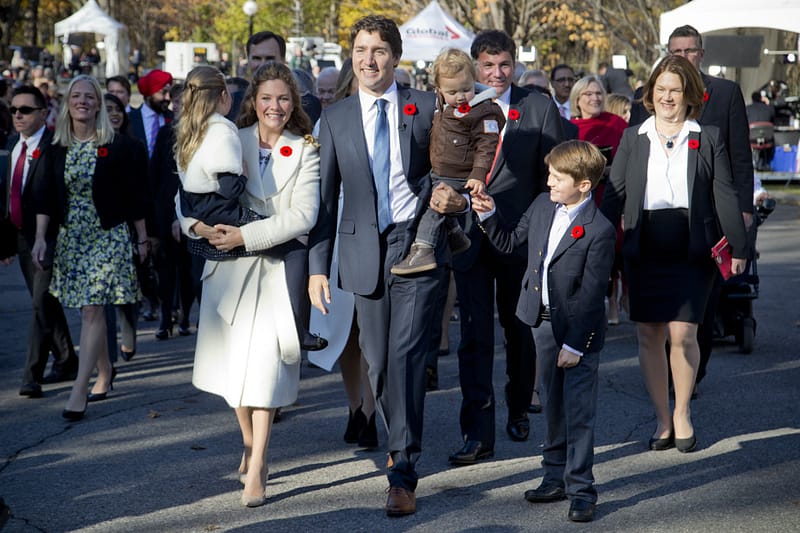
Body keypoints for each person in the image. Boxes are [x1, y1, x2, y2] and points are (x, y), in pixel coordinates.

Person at [308, 15, 443, 517]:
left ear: (396, 57)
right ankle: (399, 441)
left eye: (379, 50)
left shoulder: (425, 106)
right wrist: (317, 267)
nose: (369, 59)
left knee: (406, 355)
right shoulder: (336, 117)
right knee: (380, 362)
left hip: (416, 245)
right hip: (363, 250)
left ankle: (402, 471)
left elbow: (444, 173)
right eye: (361, 49)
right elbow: (325, 201)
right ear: (351, 56)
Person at [176, 60, 320, 508]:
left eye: (282, 98)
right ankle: (247, 442)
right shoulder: (225, 135)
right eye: (266, 98)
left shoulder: (306, 148)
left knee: (265, 372)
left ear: (292, 102)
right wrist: (193, 226)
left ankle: (258, 463)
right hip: (227, 271)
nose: (274, 106)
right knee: (236, 376)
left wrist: (247, 235)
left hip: (276, 271)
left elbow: (304, 216)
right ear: (251, 102)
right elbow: (185, 192)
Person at [600, 55, 748, 453]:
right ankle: (662, 418)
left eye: (675, 90)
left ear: (689, 96)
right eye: (661, 89)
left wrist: (740, 245)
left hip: (692, 248)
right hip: (644, 245)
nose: (667, 97)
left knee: (683, 334)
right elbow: (613, 195)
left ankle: (683, 412)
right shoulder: (634, 137)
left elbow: (724, 194)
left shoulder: (708, 137)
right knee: (649, 334)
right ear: (650, 94)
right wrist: (590, 241)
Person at [435, 29, 562, 467]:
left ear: (515, 64)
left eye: (504, 64)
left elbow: (554, 177)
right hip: (467, 233)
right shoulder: (456, 105)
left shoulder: (539, 107)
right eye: (487, 66)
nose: (497, 73)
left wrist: (538, 229)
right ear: (475, 67)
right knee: (474, 335)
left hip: (518, 234)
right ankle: (477, 432)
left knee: (518, 329)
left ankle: (519, 404)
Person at [473, 140, 615, 523]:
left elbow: (592, 294)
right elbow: (509, 243)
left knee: (579, 412)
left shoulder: (598, 230)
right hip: (543, 323)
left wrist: (576, 344)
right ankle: (553, 477)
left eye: (558, 176)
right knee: (551, 403)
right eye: (549, 174)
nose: (549, 180)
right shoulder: (541, 205)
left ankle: (582, 489)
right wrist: (488, 216)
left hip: (577, 333)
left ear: (584, 185)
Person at [629, 24, 754, 394]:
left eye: (690, 51)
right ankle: (668, 374)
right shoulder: (645, 95)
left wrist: (743, 211)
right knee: (661, 311)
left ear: (702, 53)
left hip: (713, 214)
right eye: (676, 51)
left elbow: (740, 157)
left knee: (703, 304)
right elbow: (635, 159)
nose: (684, 57)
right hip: (656, 220)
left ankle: (691, 375)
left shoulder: (726, 93)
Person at [31, 75, 149, 420]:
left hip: (108, 235)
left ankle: (79, 389)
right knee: (87, 309)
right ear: (68, 103)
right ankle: (105, 370)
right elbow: (45, 196)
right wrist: (40, 237)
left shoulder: (120, 146)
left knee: (92, 310)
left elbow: (136, 196)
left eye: (89, 96)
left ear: (99, 103)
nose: (82, 101)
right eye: (76, 96)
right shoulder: (56, 147)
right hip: (72, 236)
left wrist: (142, 239)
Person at [391, 48, 504, 275]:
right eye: (452, 91)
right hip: (440, 168)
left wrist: (478, 174)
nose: (461, 97)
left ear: (475, 81)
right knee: (431, 203)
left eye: (466, 89)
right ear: (439, 89)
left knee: (433, 207)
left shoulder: (483, 110)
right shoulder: (442, 106)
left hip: (459, 172)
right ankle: (455, 234)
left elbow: (487, 145)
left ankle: (423, 249)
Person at [2, 86, 79, 398]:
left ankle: (31, 375)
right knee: (46, 302)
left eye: (26, 110)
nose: (18, 115)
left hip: (49, 237)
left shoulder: (56, 146)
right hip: (22, 237)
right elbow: (7, 196)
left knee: (39, 303)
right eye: (14, 110)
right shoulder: (10, 145)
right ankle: (67, 357)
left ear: (43, 113)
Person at [150, 83, 196, 339]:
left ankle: (185, 316)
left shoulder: (199, 134)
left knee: (188, 270)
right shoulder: (166, 133)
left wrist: (185, 215)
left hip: (191, 213)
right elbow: (154, 175)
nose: (175, 107)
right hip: (164, 211)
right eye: (173, 103)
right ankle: (165, 317)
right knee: (165, 270)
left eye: (180, 103)